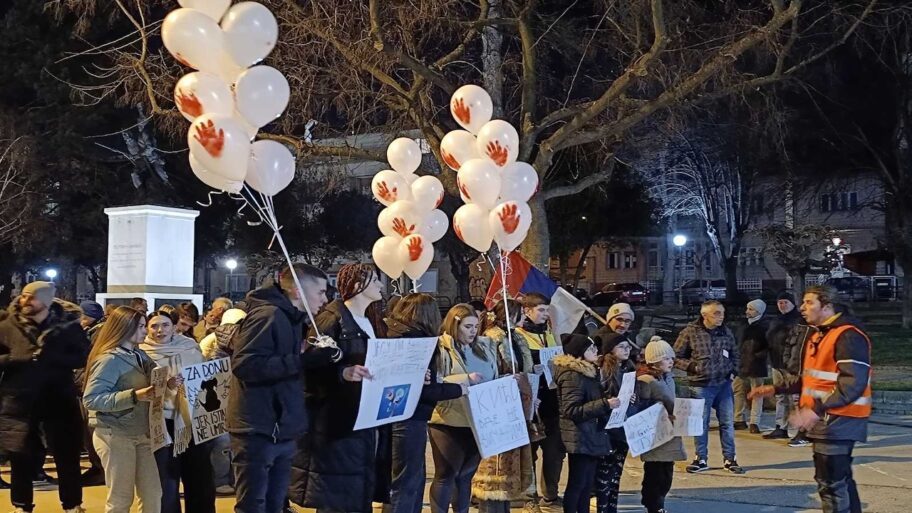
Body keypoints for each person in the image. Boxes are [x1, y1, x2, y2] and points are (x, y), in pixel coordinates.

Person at [750, 284, 872, 513]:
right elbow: (811, 379)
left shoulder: (847, 336)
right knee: (840, 480)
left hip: (838, 420)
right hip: (828, 420)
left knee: (831, 483)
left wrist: (815, 409)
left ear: (827, 306)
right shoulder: (820, 334)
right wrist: (777, 389)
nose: (802, 308)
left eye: (809, 302)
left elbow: (852, 384)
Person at [228, 264, 339, 513]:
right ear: (298, 291)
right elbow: (246, 365)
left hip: (282, 427)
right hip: (258, 428)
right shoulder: (268, 316)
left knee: (275, 503)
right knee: (254, 504)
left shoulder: (292, 319)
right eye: (321, 292)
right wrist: (302, 361)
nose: (325, 299)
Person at [295, 263, 382, 513]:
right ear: (358, 285)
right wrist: (342, 373)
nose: (380, 285)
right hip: (335, 424)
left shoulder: (369, 321)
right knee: (336, 498)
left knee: (357, 493)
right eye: (374, 280)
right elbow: (308, 367)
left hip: (362, 419)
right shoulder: (331, 319)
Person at [0, 281, 89, 513]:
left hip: (59, 399)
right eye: (24, 296)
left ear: (47, 301)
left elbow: (82, 357)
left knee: (67, 455)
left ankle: (72, 504)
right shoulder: (7, 326)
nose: (25, 301)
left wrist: (52, 357)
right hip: (20, 401)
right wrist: (15, 358)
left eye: (32, 297)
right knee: (20, 456)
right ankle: (21, 505)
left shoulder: (68, 327)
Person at [383, 293, 467, 513]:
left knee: (406, 479)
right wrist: (459, 388)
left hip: (393, 413)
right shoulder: (417, 342)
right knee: (407, 482)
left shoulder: (393, 333)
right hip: (410, 415)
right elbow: (424, 390)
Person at [82, 306, 165, 513]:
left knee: (152, 493)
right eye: (141, 326)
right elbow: (91, 399)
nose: (146, 331)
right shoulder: (109, 359)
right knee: (120, 498)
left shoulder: (139, 354)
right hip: (115, 434)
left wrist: (167, 382)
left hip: (141, 432)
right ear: (125, 328)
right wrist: (134, 396)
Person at [140, 310, 215, 513]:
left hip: (192, 419)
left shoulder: (190, 347)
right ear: (147, 329)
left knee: (199, 475)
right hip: (160, 420)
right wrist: (165, 386)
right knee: (166, 479)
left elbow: (206, 377)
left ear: (174, 327)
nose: (160, 330)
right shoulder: (141, 352)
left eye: (165, 325)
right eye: (154, 326)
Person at [429, 303, 498, 513]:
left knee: (466, 475)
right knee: (446, 474)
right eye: (468, 327)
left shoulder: (484, 348)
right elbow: (434, 382)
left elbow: (493, 376)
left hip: (478, 420)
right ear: (454, 325)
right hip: (448, 419)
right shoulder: (439, 348)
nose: (473, 331)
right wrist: (465, 379)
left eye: (476, 326)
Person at [473, 299, 536, 513]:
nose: (524, 316)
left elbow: (524, 366)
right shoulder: (492, 337)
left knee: (511, 461)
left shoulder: (517, 336)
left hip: (517, 403)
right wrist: (506, 379)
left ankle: (505, 504)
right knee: (495, 464)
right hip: (497, 403)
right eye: (521, 313)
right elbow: (489, 370)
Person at [673, 300, 744, 474]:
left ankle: (730, 458)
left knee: (727, 423)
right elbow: (675, 356)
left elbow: (735, 353)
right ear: (704, 315)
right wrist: (693, 367)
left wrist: (733, 371)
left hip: (723, 384)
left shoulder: (726, 332)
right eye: (716, 313)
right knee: (701, 424)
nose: (721, 317)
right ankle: (701, 458)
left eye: (722, 313)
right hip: (700, 385)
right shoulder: (690, 332)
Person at [553, 335, 619, 513]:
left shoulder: (589, 372)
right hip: (579, 436)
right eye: (590, 349)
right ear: (579, 353)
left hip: (590, 434)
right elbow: (571, 410)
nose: (596, 351)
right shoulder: (572, 375)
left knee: (587, 483)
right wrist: (605, 404)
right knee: (578, 482)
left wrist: (608, 402)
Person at [513, 292, 565, 508]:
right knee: (530, 453)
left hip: (552, 401)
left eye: (547, 310)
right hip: (531, 403)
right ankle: (529, 497)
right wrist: (531, 370)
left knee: (555, 452)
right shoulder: (518, 336)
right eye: (541, 310)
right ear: (527, 311)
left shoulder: (550, 334)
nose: (545, 314)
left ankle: (550, 494)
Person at [634, 337, 686, 513]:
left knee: (666, 473)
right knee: (656, 473)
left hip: (670, 431)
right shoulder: (647, 380)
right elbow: (642, 407)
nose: (671, 361)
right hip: (656, 433)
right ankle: (654, 506)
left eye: (671, 358)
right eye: (666, 358)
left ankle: (657, 504)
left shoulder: (667, 377)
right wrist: (662, 413)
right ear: (654, 361)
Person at [199, 308, 247, 496]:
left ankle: (231, 479)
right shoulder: (212, 347)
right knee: (222, 442)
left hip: (236, 400)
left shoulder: (246, 344)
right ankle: (220, 479)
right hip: (217, 401)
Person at [593, 332, 636, 513]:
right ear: (610, 350)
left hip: (622, 426)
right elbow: (598, 396)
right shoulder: (603, 370)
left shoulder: (628, 367)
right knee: (605, 473)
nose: (626, 350)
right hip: (607, 427)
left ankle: (612, 507)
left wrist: (631, 397)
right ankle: (603, 508)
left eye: (628, 347)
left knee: (616, 473)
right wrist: (611, 399)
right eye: (621, 347)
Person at [764, 291, 812, 446]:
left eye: (785, 302)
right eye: (780, 302)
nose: (782, 305)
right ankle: (781, 426)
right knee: (780, 397)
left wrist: (792, 363)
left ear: (792, 304)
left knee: (796, 398)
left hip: (792, 366)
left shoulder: (799, 321)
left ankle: (802, 430)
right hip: (776, 363)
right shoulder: (775, 320)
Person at [77, 300, 108, 486]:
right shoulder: (91, 331)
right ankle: (97, 467)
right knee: (88, 431)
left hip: (90, 387)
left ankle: (100, 469)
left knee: (93, 430)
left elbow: (90, 361)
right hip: (86, 385)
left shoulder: (98, 334)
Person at [732, 299, 769, 433]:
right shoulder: (743, 325)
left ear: (759, 311)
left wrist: (759, 355)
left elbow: (769, 345)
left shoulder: (764, 326)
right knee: (738, 391)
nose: (747, 311)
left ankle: (754, 422)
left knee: (757, 393)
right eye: (748, 308)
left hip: (756, 364)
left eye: (751, 309)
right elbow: (737, 342)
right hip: (741, 363)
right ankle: (738, 419)